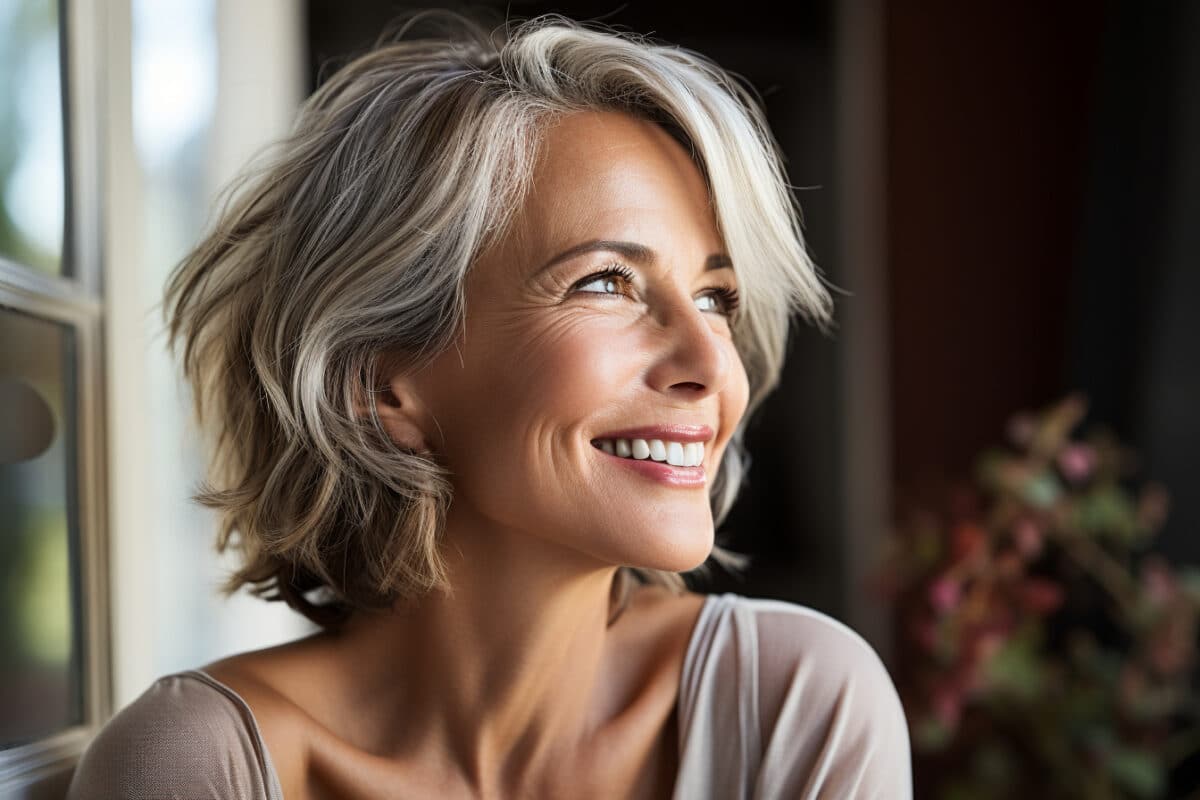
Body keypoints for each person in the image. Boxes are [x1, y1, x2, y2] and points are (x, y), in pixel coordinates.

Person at [67, 12, 912, 799]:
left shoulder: (796, 704)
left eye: (716, 297)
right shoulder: (194, 765)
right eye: (606, 282)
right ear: (377, 382)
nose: (710, 365)